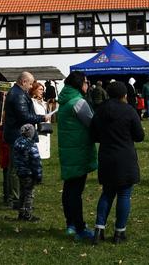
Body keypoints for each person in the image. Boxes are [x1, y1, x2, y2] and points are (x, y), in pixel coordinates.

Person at [90, 81, 145, 245]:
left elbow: (93, 135)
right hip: (125, 156)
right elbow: (139, 136)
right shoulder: (129, 110)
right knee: (124, 194)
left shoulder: (100, 111)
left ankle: (99, 230)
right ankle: (119, 232)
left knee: (107, 193)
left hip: (107, 155)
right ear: (124, 95)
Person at [57, 71, 98, 241]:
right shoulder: (78, 102)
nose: (88, 85)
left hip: (68, 150)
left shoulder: (65, 100)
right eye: (86, 82)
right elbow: (92, 123)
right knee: (75, 191)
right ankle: (80, 228)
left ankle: (70, 224)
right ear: (80, 83)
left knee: (69, 189)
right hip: (78, 151)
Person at [3, 72, 50, 208]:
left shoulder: (17, 93)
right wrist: (41, 118)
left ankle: (17, 198)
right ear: (23, 82)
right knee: (16, 168)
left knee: (17, 167)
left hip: (17, 134)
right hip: (17, 135)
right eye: (30, 84)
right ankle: (15, 199)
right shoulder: (17, 95)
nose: (31, 87)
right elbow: (24, 116)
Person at [13, 123, 43, 222]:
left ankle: (21, 213)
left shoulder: (17, 142)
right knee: (29, 194)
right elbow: (36, 161)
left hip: (20, 172)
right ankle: (27, 214)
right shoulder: (31, 145)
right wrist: (38, 175)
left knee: (22, 193)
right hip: (29, 173)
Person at [29, 81, 50, 159]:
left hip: (45, 128)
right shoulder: (31, 102)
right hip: (36, 129)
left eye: (43, 89)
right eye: (40, 89)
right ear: (34, 90)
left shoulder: (43, 102)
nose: (42, 91)